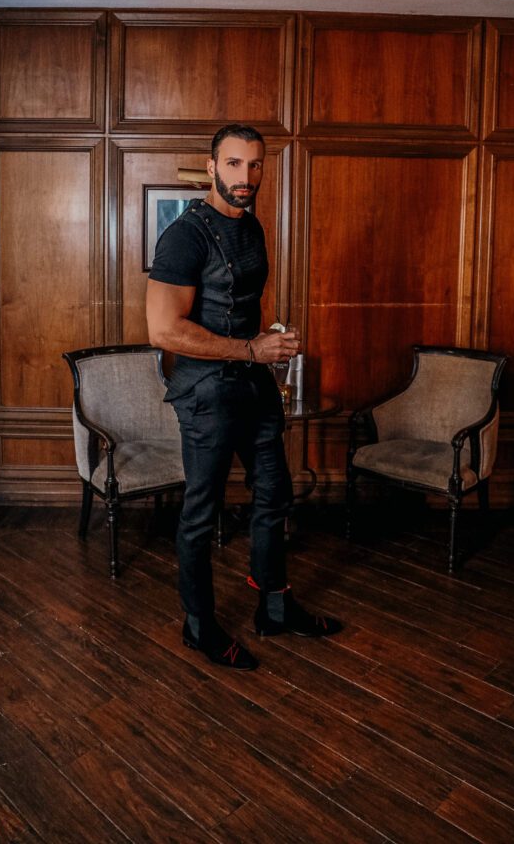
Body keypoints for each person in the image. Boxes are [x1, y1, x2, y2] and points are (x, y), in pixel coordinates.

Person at [146, 124, 341, 670]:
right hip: (205, 394)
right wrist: (251, 350)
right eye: (233, 165)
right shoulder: (184, 236)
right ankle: (199, 625)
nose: (246, 177)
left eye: (254, 165)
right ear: (210, 167)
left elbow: (242, 308)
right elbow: (163, 330)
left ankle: (274, 608)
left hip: (253, 388)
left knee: (274, 496)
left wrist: (270, 345)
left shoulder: (251, 226)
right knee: (200, 515)